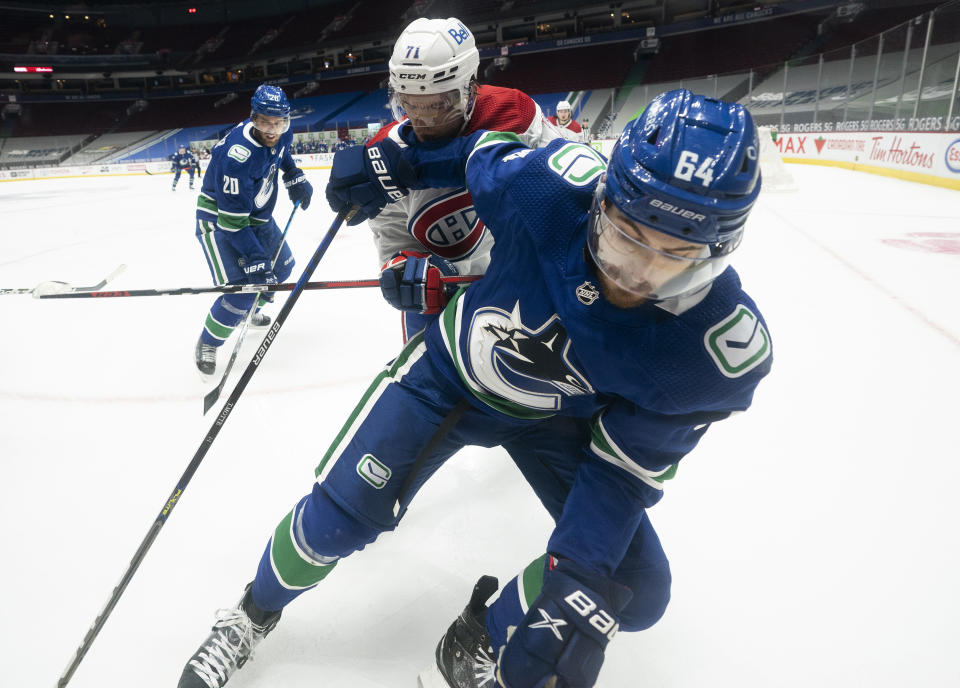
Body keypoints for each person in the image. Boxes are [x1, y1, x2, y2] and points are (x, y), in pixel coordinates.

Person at [176, 88, 771, 688]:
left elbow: (621, 471)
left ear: (720, 251)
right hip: (448, 382)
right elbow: (474, 148)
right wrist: (391, 163)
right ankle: (250, 616)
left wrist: (577, 575)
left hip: (557, 421)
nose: (635, 274)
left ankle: (480, 633)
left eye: (676, 256)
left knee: (633, 588)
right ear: (602, 200)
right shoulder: (549, 191)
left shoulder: (708, 354)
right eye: (625, 235)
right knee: (335, 519)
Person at [366, 17, 565, 342]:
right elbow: (391, 234)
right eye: (409, 106)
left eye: (437, 106)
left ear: (469, 89)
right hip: (442, 304)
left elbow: (567, 191)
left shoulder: (515, 116)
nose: (422, 124)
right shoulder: (387, 152)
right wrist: (404, 265)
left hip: (530, 296)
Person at [193, 83, 314, 376]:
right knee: (243, 289)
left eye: (279, 123)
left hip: (257, 216)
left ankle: (251, 310)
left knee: (281, 270)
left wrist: (293, 175)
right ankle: (208, 342)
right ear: (252, 118)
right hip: (221, 222)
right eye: (264, 123)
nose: (272, 130)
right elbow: (232, 223)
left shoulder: (283, 133)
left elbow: (282, 153)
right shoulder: (238, 157)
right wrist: (255, 259)